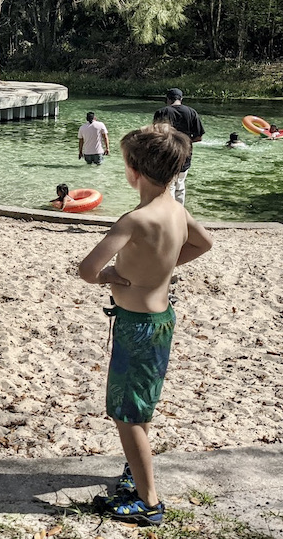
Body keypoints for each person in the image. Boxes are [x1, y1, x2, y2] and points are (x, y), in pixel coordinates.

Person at [78, 124, 213, 527]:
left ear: (133, 169)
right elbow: (204, 243)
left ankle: (148, 500)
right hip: (161, 320)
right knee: (141, 402)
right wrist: (164, 270)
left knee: (126, 413)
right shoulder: (176, 210)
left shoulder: (134, 220)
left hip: (136, 326)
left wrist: (110, 278)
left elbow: (88, 269)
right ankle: (135, 470)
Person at [153, 88, 204, 205]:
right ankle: (180, 214)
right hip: (186, 154)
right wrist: (184, 141)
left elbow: (155, 135)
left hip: (167, 154)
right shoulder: (192, 112)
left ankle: (169, 215)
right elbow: (199, 137)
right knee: (180, 185)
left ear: (168, 99)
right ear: (181, 99)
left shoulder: (162, 112)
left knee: (168, 186)